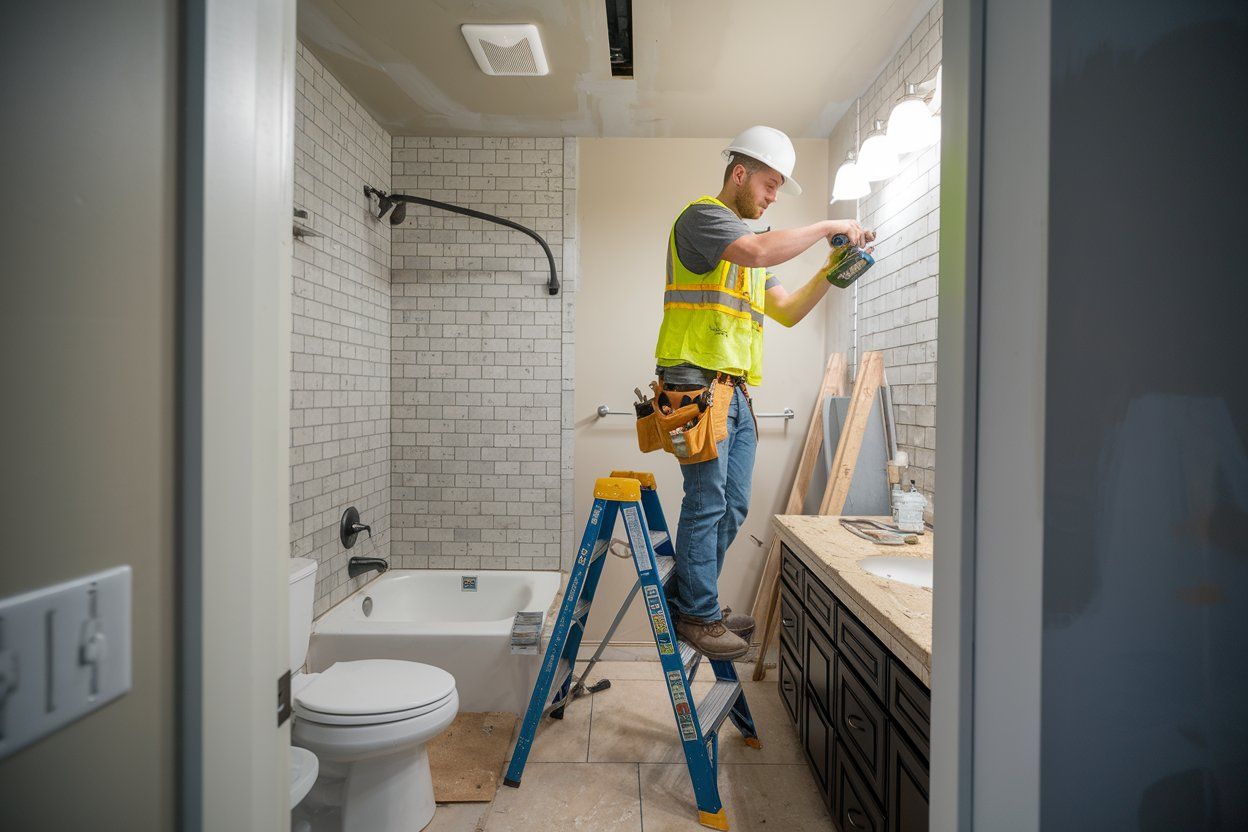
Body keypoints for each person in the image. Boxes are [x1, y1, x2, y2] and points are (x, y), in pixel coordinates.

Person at [654, 125, 875, 660]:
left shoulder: (746, 254)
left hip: (735, 394)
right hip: (694, 386)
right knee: (707, 502)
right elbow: (756, 251)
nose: (773, 196)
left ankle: (688, 599)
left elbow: (790, 310)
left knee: (732, 506)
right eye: (770, 185)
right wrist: (828, 223)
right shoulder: (703, 218)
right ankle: (698, 614)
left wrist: (833, 268)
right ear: (739, 173)